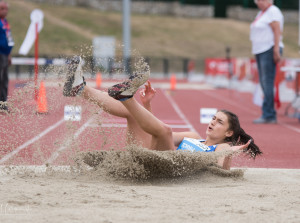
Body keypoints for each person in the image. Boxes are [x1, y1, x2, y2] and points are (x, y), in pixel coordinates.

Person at [63, 56, 262, 170]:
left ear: (228, 133)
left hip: (166, 171)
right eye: (213, 118)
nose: (212, 122)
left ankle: (125, 96)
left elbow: (222, 169)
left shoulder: (221, 148)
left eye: (219, 122)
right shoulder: (193, 137)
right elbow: (153, 136)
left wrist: (228, 153)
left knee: (165, 130)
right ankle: (80, 89)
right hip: (149, 160)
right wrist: (146, 105)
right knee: (134, 114)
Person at [250, 0, 284, 124]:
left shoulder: (273, 11)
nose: (257, 3)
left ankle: (269, 114)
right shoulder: (262, 13)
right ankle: (268, 112)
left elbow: (277, 30)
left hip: (268, 49)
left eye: (259, 1)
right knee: (264, 83)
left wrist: (276, 49)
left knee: (267, 82)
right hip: (260, 50)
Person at [0, 0, 13, 113]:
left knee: (4, 80)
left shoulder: (5, 22)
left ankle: (3, 105)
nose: (5, 11)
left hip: (5, 54)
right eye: (2, 9)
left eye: (6, 9)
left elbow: (9, 38)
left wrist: (9, 54)